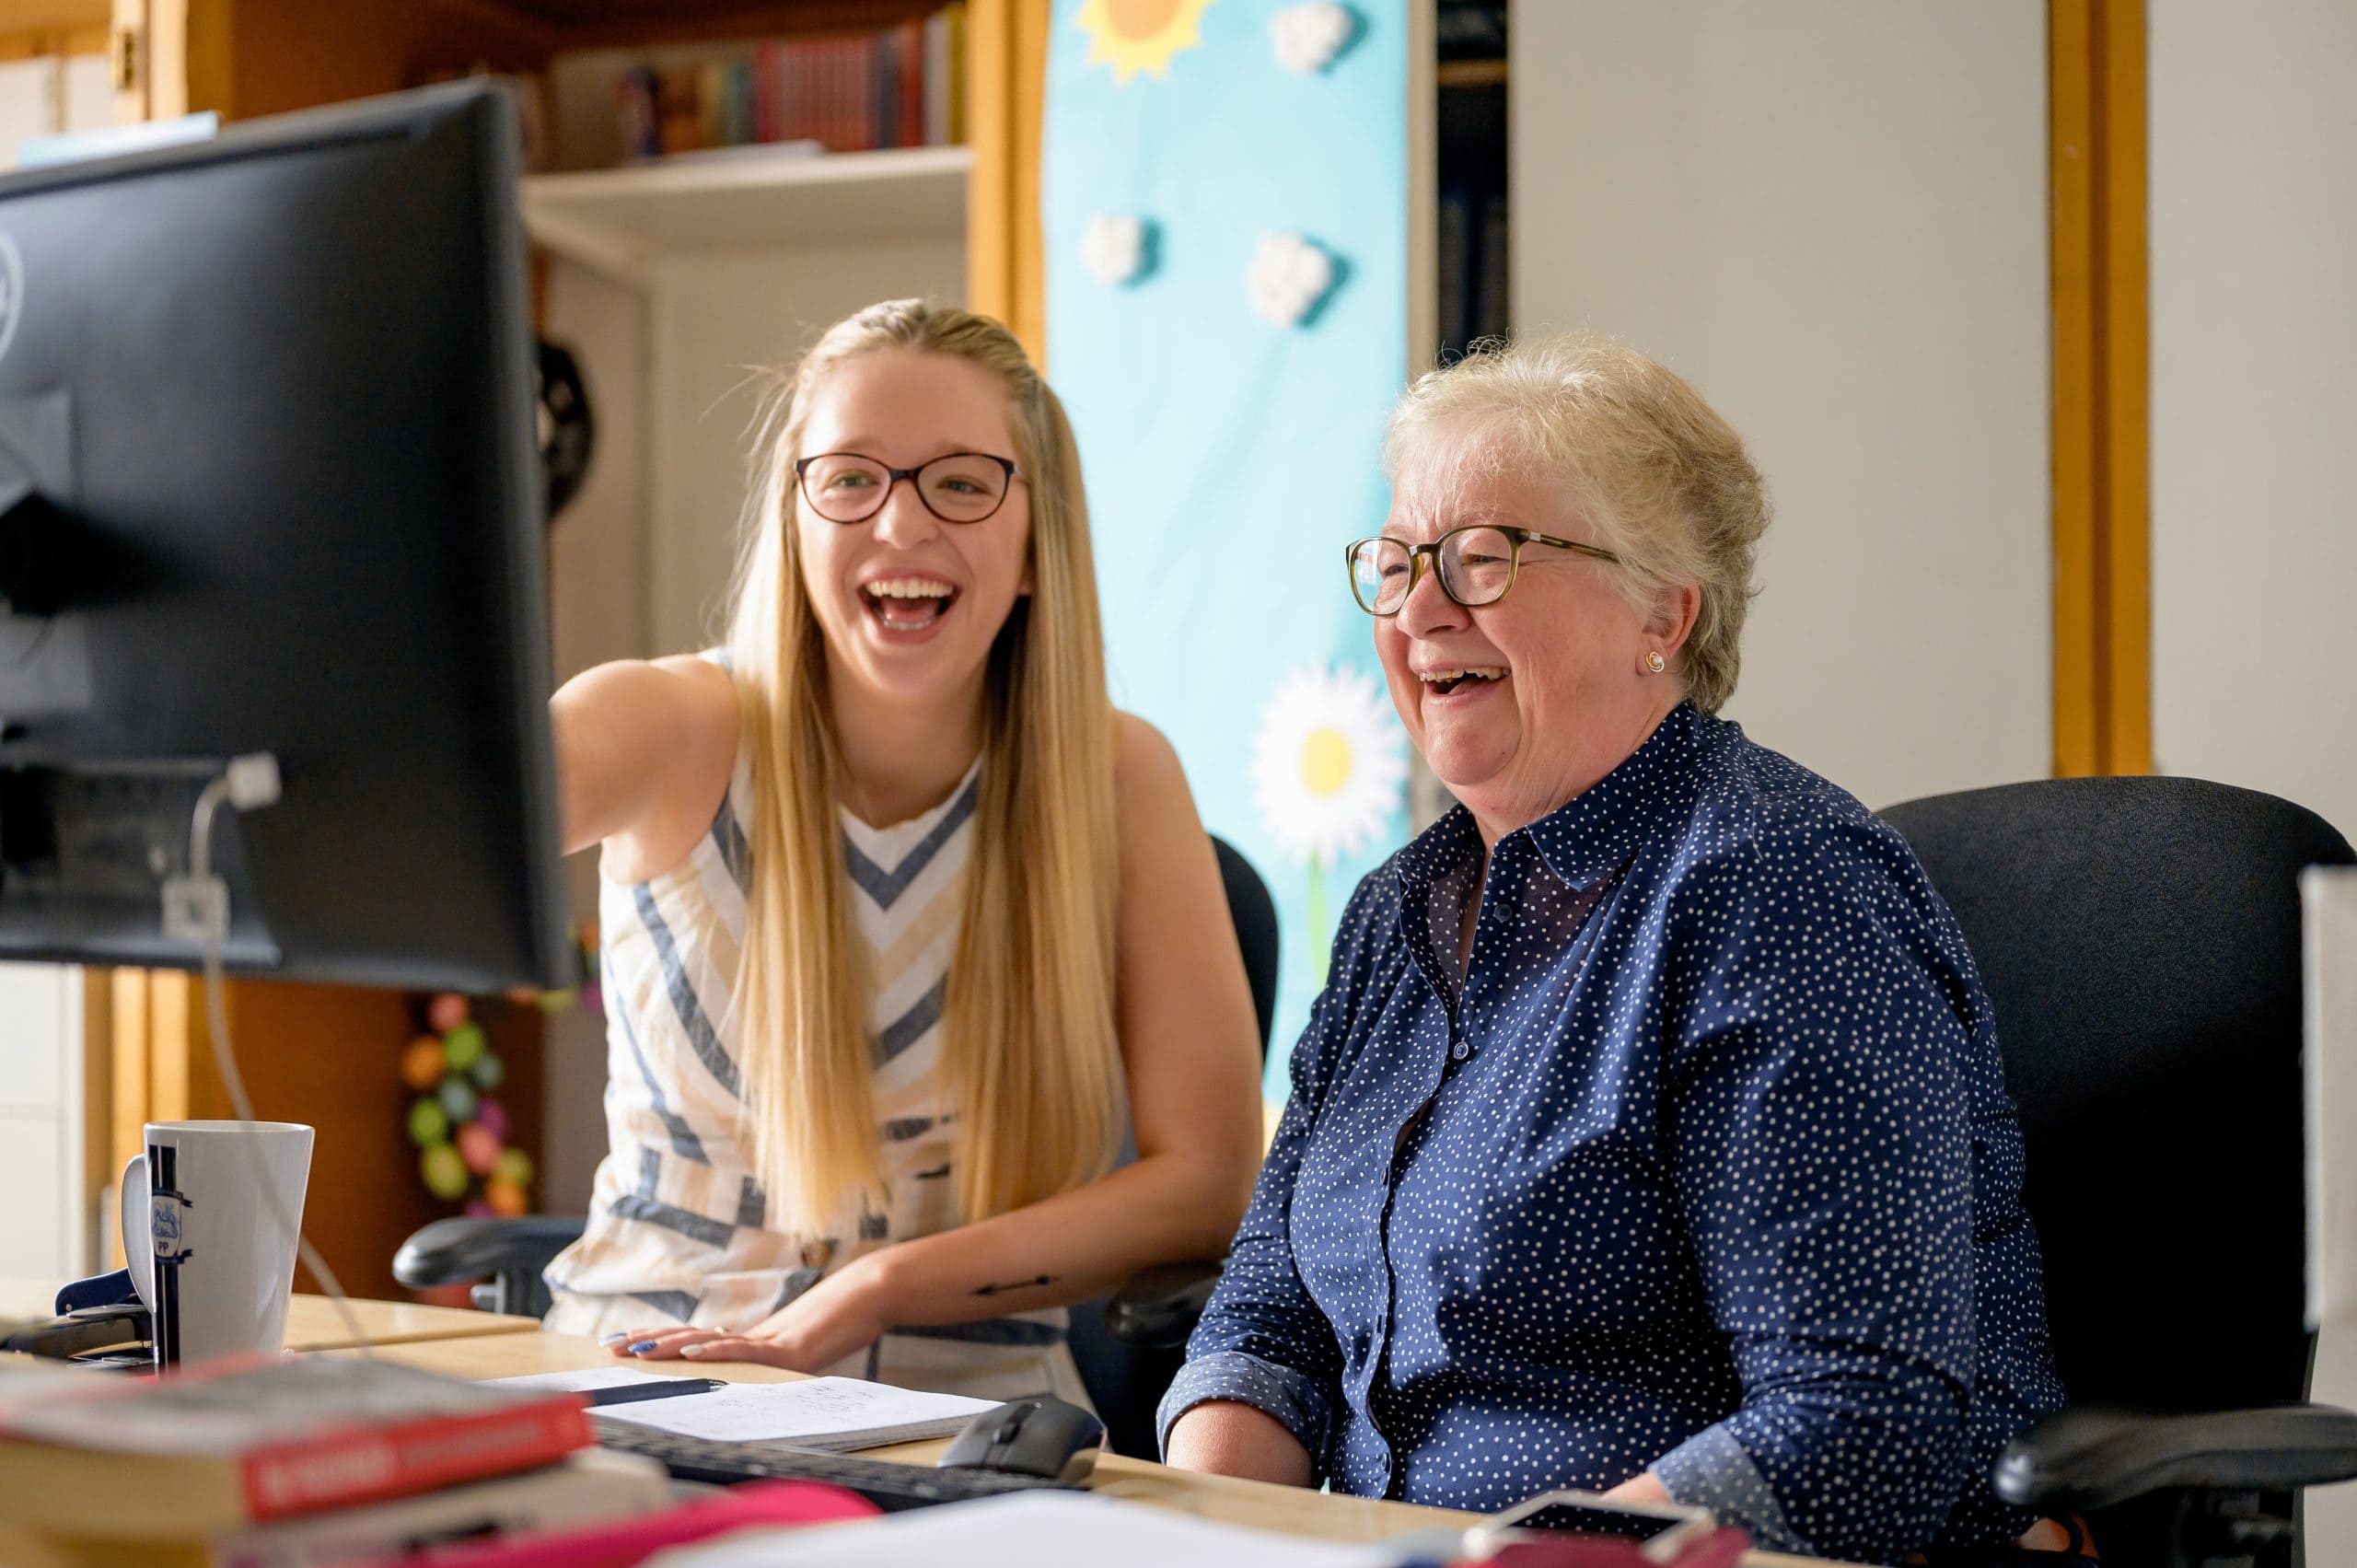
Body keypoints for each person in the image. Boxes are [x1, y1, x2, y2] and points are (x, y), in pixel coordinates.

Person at [1159, 333, 2069, 1563]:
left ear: (1663, 612)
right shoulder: (1397, 908)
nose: (1422, 609)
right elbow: (1271, 1312)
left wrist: (1498, 1554)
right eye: (1397, 561)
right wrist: (1212, 1531)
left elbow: (1859, 1422)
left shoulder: (1776, 887)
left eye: (1485, 560)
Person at [539, 300, 1262, 1406]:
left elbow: (1209, 1182)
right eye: (850, 478)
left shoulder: (1118, 777)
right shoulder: (662, 723)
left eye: (961, 482)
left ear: (1035, 545)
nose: (898, 525)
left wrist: (876, 1288)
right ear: (797, 520)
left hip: (971, 1393)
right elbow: (447, 818)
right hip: (645, 1364)